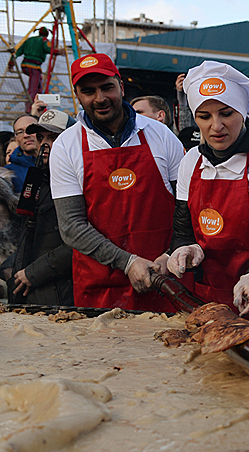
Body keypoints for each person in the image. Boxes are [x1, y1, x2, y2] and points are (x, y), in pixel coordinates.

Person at [161, 61, 249, 322]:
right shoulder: (191, 161)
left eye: (226, 113)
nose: (216, 126)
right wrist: (183, 250)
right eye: (205, 116)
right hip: (203, 300)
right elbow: (181, 233)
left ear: (243, 113)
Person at [50, 53, 184, 311]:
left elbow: (186, 205)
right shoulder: (66, 146)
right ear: (77, 95)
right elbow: (70, 225)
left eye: (107, 87)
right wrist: (128, 261)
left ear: (121, 87)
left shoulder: (160, 134)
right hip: (100, 288)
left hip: (165, 278)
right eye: (88, 91)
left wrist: (171, 252)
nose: (100, 98)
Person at [6, 109, 76, 306]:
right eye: (40, 137)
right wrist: (12, 269)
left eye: (53, 137)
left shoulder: (81, 180)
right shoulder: (36, 177)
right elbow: (27, 234)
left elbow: (80, 241)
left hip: (61, 293)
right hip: (29, 290)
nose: (45, 143)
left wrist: (34, 273)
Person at [8, 26, 54, 103]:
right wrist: (58, 51)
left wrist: (11, 62)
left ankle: (37, 104)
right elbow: (50, 49)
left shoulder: (30, 40)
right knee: (33, 88)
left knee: (39, 86)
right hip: (34, 67)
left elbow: (18, 52)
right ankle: (30, 108)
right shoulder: (44, 41)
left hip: (25, 66)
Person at [8, 113, 39, 193]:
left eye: (30, 129)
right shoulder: (9, 173)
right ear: (16, 138)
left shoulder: (57, 163)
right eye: (20, 132)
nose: (26, 135)